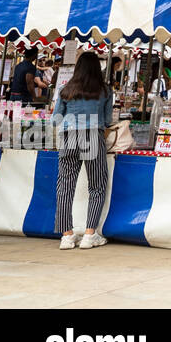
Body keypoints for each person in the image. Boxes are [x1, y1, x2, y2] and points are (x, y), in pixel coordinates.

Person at [53, 52, 112, 250]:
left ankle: (66, 236)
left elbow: (55, 119)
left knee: (65, 187)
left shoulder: (65, 90)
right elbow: (108, 120)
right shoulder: (105, 91)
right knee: (96, 186)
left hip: (69, 137)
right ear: (98, 68)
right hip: (93, 135)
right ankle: (89, 234)